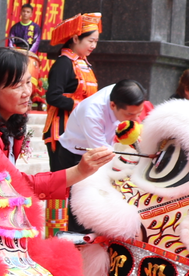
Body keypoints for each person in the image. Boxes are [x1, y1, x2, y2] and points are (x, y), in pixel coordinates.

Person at [0, 47, 112, 218]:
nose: (27, 93)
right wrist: (79, 171)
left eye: (28, 82)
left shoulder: (8, 120)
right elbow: (15, 183)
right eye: (17, 86)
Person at [54, 79, 148, 232]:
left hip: (100, 150)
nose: (135, 119)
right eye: (130, 114)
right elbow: (103, 153)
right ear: (113, 105)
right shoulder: (92, 112)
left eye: (138, 113)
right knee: (81, 204)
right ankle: (81, 242)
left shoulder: (120, 93)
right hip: (76, 154)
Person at [41, 13, 101, 235]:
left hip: (79, 133)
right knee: (60, 183)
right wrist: (81, 106)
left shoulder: (84, 64)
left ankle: (77, 230)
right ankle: (56, 232)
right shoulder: (63, 64)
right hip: (61, 131)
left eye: (95, 42)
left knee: (79, 183)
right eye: (90, 41)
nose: (93, 46)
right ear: (75, 38)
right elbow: (53, 97)